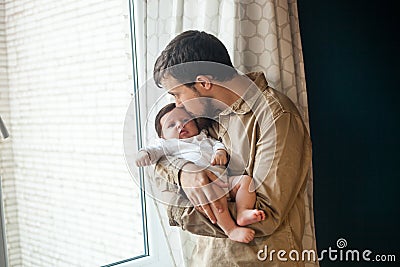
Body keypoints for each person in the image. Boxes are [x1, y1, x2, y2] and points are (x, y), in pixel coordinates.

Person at [152, 30, 312, 266]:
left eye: (177, 94)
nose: (176, 105)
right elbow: (165, 151)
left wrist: (179, 210)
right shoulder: (205, 118)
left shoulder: (276, 117)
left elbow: (266, 215)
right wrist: (184, 172)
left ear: (204, 82)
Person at [136, 103, 266, 243]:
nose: (180, 125)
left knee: (245, 181)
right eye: (171, 125)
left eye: (185, 120)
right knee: (214, 197)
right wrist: (144, 154)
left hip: (224, 181)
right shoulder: (168, 145)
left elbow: (217, 144)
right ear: (162, 136)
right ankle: (231, 229)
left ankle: (243, 211)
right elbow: (153, 150)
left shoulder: (204, 137)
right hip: (204, 187)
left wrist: (220, 152)